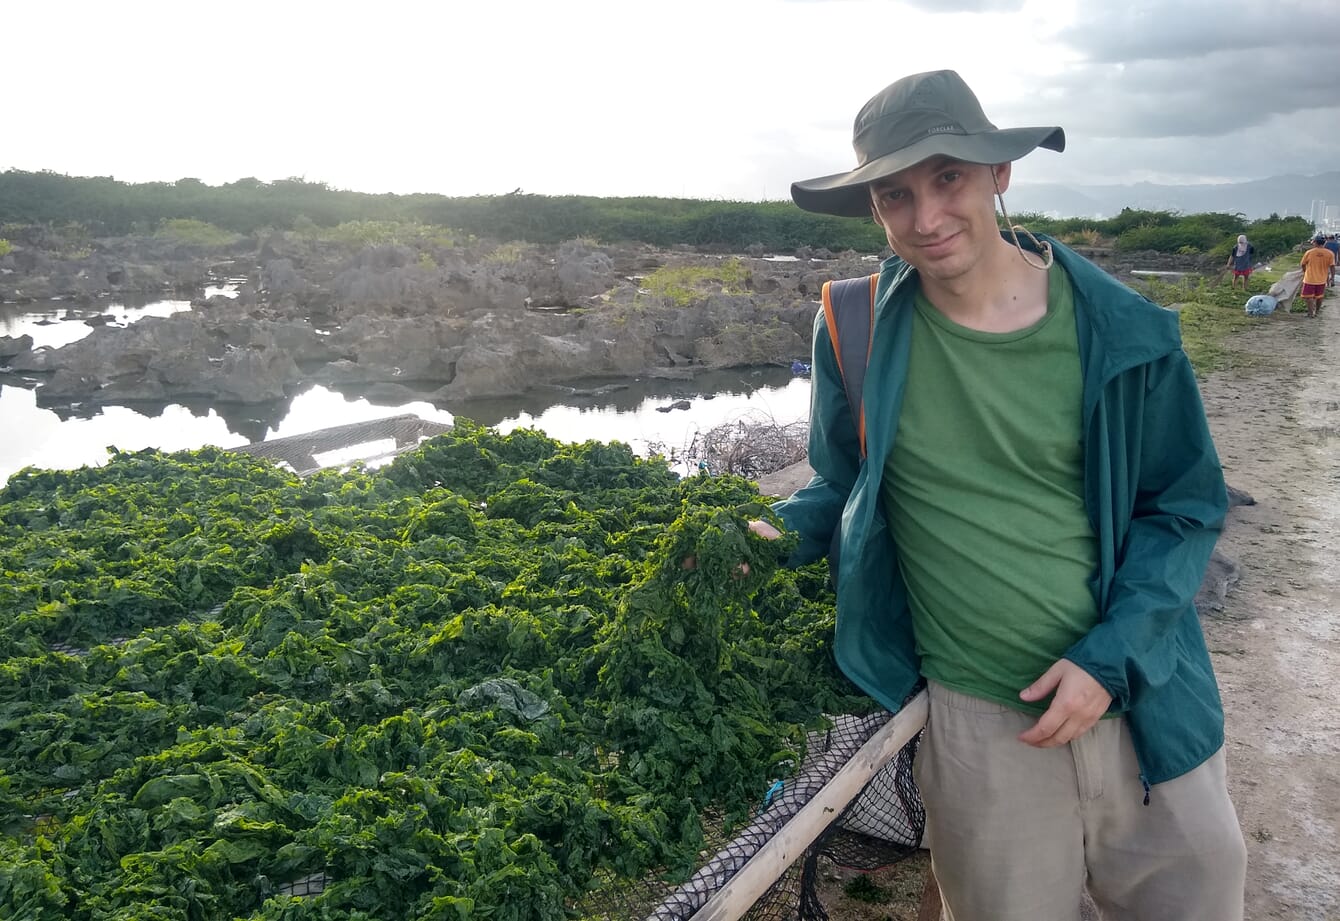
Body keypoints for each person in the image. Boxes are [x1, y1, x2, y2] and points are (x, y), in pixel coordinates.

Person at [753, 70, 1246, 920]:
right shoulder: (853, 327)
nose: (927, 217)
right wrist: (767, 533)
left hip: (1142, 696)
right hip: (979, 722)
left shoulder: (1123, 330)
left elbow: (1184, 506)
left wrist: (1109, 661)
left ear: (998, 175)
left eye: (948, 178)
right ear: (875, 207)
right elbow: (843, 477)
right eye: (895, 194)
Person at [1299, 235, 1334, 317]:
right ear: (1324, 243)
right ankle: (1317, 312)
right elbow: (1332, 266)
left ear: (1315, 242)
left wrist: (1305, 271)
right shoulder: (1329, 253)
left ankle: (1311, 313)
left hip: (1309, 278)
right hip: (1322, 279)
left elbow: (1303, 264)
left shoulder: (1309, 252)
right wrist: (1332, 277)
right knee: (1319, 297)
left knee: (1308, 297)